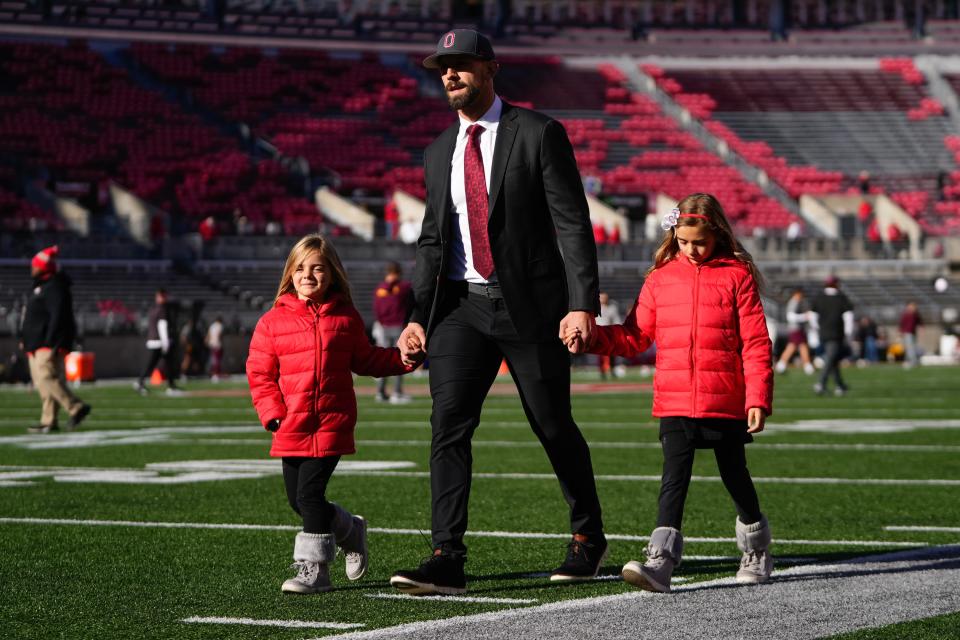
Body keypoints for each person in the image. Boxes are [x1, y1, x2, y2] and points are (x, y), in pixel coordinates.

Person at [390, 29, 608, 596]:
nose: (449, 75)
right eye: (443, 68)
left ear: (490, 68)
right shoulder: (438, 151)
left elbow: (572, 224)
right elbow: (432, 242)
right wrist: (417, 315)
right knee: (448, 426)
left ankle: (588, 538)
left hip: (530, 307)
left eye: (460, 65)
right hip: (460, 309)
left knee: (552, 424)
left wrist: (582, 303)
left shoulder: (538, 133)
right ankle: (447, 556)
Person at [564, 194, 775, 593]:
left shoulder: (737, 275)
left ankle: (756, 548)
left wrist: (757, 398)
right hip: (675, 398)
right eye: (683, 242)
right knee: (673, 478)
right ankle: (661, 561)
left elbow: (756, 342)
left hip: (724, 397)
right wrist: (590, 338)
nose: (691, 250)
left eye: (699, 242)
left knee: (735, 475)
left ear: (716, 234)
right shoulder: (660, 278)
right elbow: (633, 336)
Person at [246, 234, 419, 594]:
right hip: (291, 425)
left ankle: (315, 569)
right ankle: (350, 530)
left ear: (332, 274)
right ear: (290, 274)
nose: (308, 275)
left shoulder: (344, 316)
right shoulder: (271, 322)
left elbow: (366, 359)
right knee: (298, 500)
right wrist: (273, 413)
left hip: (331, 421)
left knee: (309, 496)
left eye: (317, 268)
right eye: (300, 268)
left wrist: (403, 359)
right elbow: (259, 373)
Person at [20, 246, 91, 434]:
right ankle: (48, 420)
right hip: (35, 343)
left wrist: (53, 342)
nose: (31, 268)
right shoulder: (39, 286)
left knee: (47, 377)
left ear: (43, 267)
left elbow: (58, 316)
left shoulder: (54, 286)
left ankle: (75, 406)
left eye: (34, 265)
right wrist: (25, 338)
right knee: (43, 383)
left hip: (46, 342)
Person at [372, 261, 415, 403]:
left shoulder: (379, 289)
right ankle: (396, 393)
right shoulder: (402, 287)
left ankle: (381, 392)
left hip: (383, 327)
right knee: (399, 360)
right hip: (397, 327)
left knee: (383, 362)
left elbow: (376, 309)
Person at [810, 276, 854, 396]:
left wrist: (817, 329)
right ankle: (821, 383)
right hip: (836, 332)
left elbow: (813, 317)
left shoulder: (819, 297)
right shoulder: (841, 297)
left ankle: (840, 385)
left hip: (823, 332)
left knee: (833, 358)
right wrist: (848, 333)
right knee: (830, 358)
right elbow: (848, 317)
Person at [134, 288, 182, 396]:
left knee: (165, 364)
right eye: (163, 296)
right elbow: (162, 326)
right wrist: (165, 343)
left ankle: (170, 385)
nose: (165, 298)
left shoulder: (153, 309)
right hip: (159, 342)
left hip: (154, 341)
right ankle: (140, 382)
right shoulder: (162, 309)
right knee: (153, 365)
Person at [775, 288, 815, 375]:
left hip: (797, 328)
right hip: (795, 328)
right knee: (801, 346)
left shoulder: (796, 302)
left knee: (793, 346)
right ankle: (807, 365)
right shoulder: (794, 302)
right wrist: (805, 316)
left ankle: (781, 364)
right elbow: (791, 316)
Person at [595, 291, 623, 379]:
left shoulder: (612, 307)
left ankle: (611, 369)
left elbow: (617, 320)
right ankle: (602, 371)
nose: (603, 299)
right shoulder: (596, 307)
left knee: (612, 354)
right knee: (601, 355)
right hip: (599, 334)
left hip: (610, 334)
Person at [899, 301, 923, 368]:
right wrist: (900, 332)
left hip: (913, 333)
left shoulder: (915, 314)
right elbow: (902, 323)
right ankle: (911, 361)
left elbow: (920, 321)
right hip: (907, 333)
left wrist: (921, 327)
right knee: (909, 348)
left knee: (912, 348)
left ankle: (911, 362)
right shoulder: (906, 314)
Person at [205, 314, 224, 381]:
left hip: (211, 344)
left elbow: (208, 335)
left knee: (213, 360)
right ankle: (215, 374)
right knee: (217, 360)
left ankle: (213, 374)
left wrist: (207, 342)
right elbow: (219, 335)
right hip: (217, 344)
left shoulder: (212, 326)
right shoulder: (220, 326)